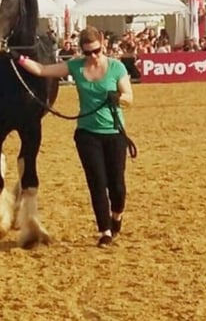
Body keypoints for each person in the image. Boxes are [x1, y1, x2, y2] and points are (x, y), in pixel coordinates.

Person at [17, 26, 134, 248]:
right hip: (87, 134)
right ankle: (105, 231)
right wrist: (18, 58)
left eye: (96, 51)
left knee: (117, 185)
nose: (93, 56)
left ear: (103, 44)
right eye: (88, 52)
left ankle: (116, 217)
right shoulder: (76, 66)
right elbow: (42, 70)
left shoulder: (116, 67)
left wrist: (118, 98)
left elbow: (130, 96)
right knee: (97, 183)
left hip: (114, 133)